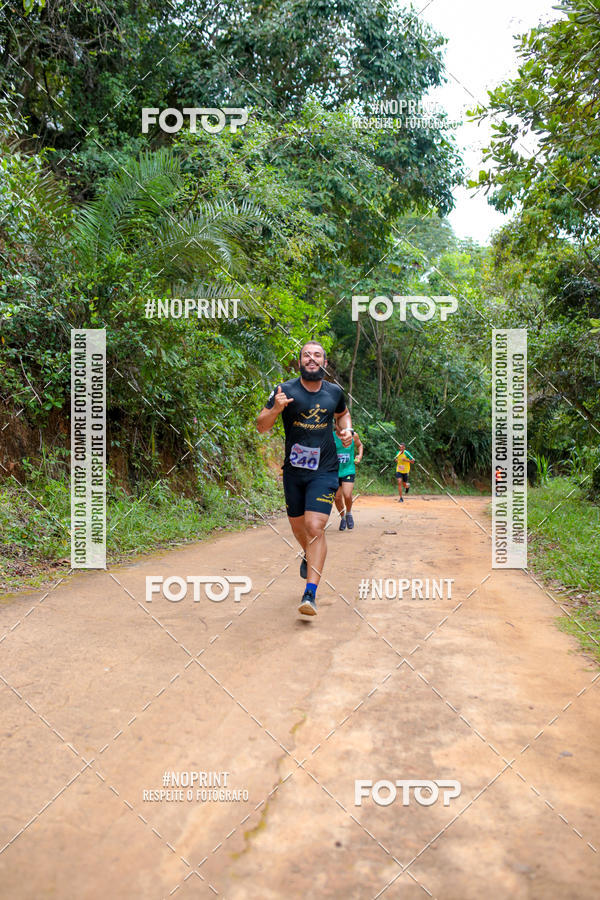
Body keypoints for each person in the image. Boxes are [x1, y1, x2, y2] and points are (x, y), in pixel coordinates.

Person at [256, 341, 353, 616]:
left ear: (325, 361)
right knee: (300, 530)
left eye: (317, 355)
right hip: (294, 472)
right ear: (300, 361)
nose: (312, 359)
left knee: (314, 528)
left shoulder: (334, 392)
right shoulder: (284, 390)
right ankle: (309, 555)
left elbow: (342, 415)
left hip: (324, 470)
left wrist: (346, 430)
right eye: (306, 355)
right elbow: (261, 426)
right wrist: (275, 409)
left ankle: (310, 594)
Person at [334, 430, 363, 530]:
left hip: (348, 469)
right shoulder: (330, 436)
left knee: (347, 494)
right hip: (334, 471)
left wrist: (359, 456)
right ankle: (342, 518)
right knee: (337, 498)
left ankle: (349, 513)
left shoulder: (353, 435)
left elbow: (360, 445)